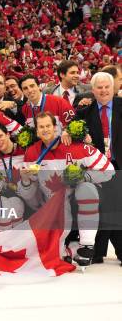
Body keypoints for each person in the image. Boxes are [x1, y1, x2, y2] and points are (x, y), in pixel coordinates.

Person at [19, 112, 114, 268]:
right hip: (53, 206)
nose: (45, 130)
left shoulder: (76, 146)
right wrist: (25, 180)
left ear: (56, 128)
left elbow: (108, 170)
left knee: (86, 189)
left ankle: (87, 245)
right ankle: (70, 248)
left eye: (48, 126)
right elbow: (31, 194)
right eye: (41, 127)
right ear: (36, 131)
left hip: (78, 201)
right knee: (49, 252)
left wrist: (83, 176)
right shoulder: (32, 153)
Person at [72, 72, 122, 263]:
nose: (103, 90)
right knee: (101, 207)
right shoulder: (84, 112)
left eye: (106, 87)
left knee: (117, 207)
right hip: (98, 167)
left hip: (119, 163)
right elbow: (74, 133)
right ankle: (98, 251)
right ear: (92, 90)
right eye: (99, 87)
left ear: (113, 88)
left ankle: (112, 250)